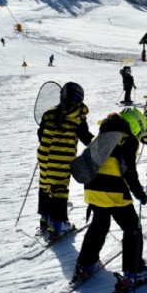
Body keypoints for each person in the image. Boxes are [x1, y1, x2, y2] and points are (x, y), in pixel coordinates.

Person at [72, 109, 147, 286]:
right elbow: (128, 170)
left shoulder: (100, 137)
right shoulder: (127, 139)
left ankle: (85, 264)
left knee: (99, 225)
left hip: (92, 189)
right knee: (132, 228)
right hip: (113, 191)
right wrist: (139, 192)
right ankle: (134, 271)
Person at [37, 82, 93, 238]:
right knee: (59, 188)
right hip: (61, 159)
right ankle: (59, 224)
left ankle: (45, 219)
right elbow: (85, 137)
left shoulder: (49, 113)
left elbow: (40, 134)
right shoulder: (77, 116)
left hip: (44, 156)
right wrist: (99, 145)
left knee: (45, 184)